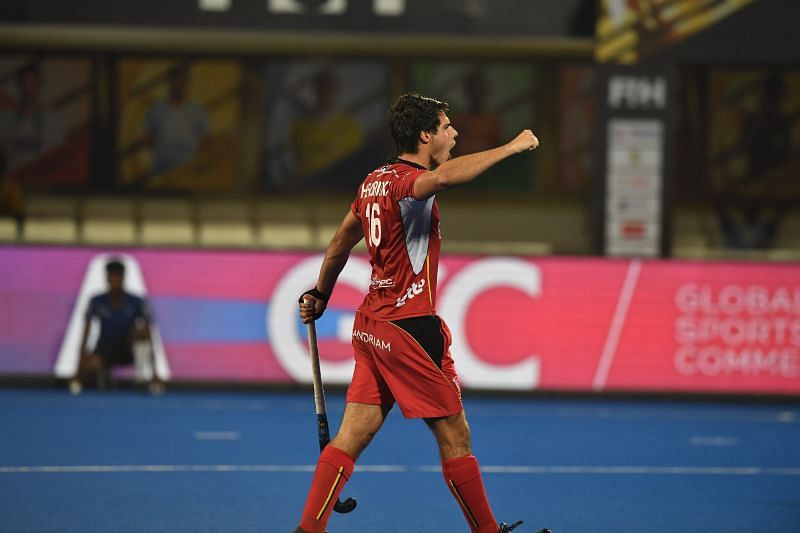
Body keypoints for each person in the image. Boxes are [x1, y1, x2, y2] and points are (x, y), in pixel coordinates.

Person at [294, 93, 547, 533]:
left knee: (354, 434)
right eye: (448, 127)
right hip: (409, 328)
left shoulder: (373, 180)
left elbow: (339, 243)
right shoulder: (408, 181)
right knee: (455, 434)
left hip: (371, 325)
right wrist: (511, 147)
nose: (455, 133)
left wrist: (320, 292)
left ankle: (307, 530)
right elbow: (445, 179)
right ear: (425, 135)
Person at [68, 259, 164, 395]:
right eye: (112, 276)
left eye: (118, 276)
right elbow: (86, 334)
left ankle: (143, 377)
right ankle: (103, 375)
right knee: (93, 365)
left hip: (128, 349)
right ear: (107, 278)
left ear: (124, 278)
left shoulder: (136, 302)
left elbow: (149, 335)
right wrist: (79, 370)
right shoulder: (96, 301)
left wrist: (156, 373)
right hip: (105, 349)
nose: (115, 280)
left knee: (140, 331)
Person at [289, 70, 364, 179]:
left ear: (335, 92)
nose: (325, 96)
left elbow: (356, 162)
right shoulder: (299, 127)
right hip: (308, 186)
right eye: (321, 91)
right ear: (315, 92)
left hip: (338, 187)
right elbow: (296, 158)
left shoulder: (350, 128)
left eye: (329, 91)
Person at [144, 64, 209, 176]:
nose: (179, 84)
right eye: (176, 79)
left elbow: (204, 142)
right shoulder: (156, 110)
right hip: (162, 170)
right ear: (168, 82)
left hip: (189, 171)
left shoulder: (198, 111)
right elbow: (149, 139)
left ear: (188, 83)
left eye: (183, 79)